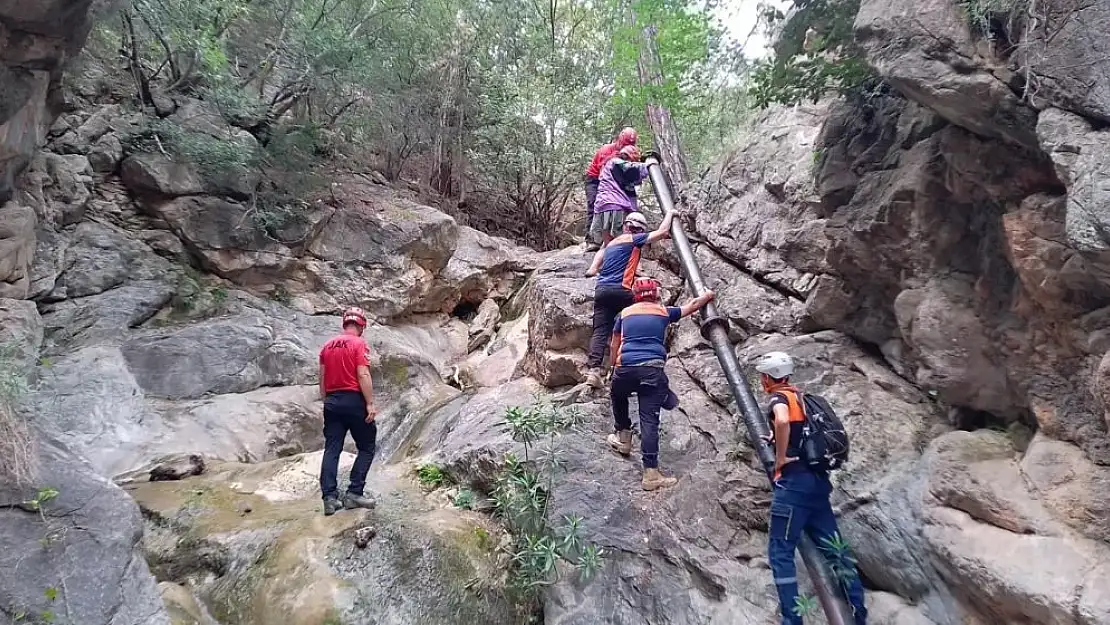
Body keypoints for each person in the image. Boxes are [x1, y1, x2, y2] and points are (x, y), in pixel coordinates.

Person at [755, 351, 868, 625]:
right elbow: (798, 430)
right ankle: (858, 613)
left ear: (768, 377)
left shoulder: (779, 398)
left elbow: (782, 419)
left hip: (794, 486)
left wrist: (781, 457)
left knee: (780, 553)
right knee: (835, 549)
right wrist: (778, 438)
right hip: (818, 484)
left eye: (762, 376)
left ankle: (792, 620)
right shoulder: (801, 397)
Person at [606, 278, 715, 490]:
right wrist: (708, 296)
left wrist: (613, 367)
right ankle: (651, 474)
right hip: (651, 370)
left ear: (635, 295)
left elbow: (614, 344)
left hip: (625, 367)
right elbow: (691, 306)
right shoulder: (663, 312)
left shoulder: (624, 315)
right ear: (656, 293)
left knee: (618, 395)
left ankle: (623, 437)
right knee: (648, 420)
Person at [583, 209, 674, 387]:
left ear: (625, 226)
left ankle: (594, 371)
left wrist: (593, 268)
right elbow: (662, 232)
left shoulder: (612, 243)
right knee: (643, 315)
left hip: (602, 290)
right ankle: (635, 362)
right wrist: (670, 213)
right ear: (639, 230)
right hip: (622, 291)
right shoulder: (634, 239)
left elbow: (601, 255)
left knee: (600, 331)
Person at [318, 306, 379, 516]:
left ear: (345, 324)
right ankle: (354, 492)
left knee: (332, 448)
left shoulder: (327, 346)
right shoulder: (358, 343)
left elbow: (322, 378)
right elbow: (363, 374)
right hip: (353, 399)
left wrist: (327, 401)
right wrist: (369, 403)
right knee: (367, 446)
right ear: (361, 326)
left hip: (332, 401)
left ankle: (329, 498)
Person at [584, 127, 638, 244]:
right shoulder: (606, 150)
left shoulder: (631, 151)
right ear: (619, 141)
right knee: (595, 205)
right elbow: (604, 174)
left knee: (624, 204)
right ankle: (591, 240)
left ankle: (620, 236)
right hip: (595, 178)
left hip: (615, 178)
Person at [590, 145, 650, 247]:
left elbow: (634, 180)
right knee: (619, 239)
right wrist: (649, 164)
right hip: (615, 204)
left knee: (607, 241)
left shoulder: (610, 167)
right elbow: (634, 169)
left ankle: (606, 259)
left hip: (601, 206)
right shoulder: (616, 163)